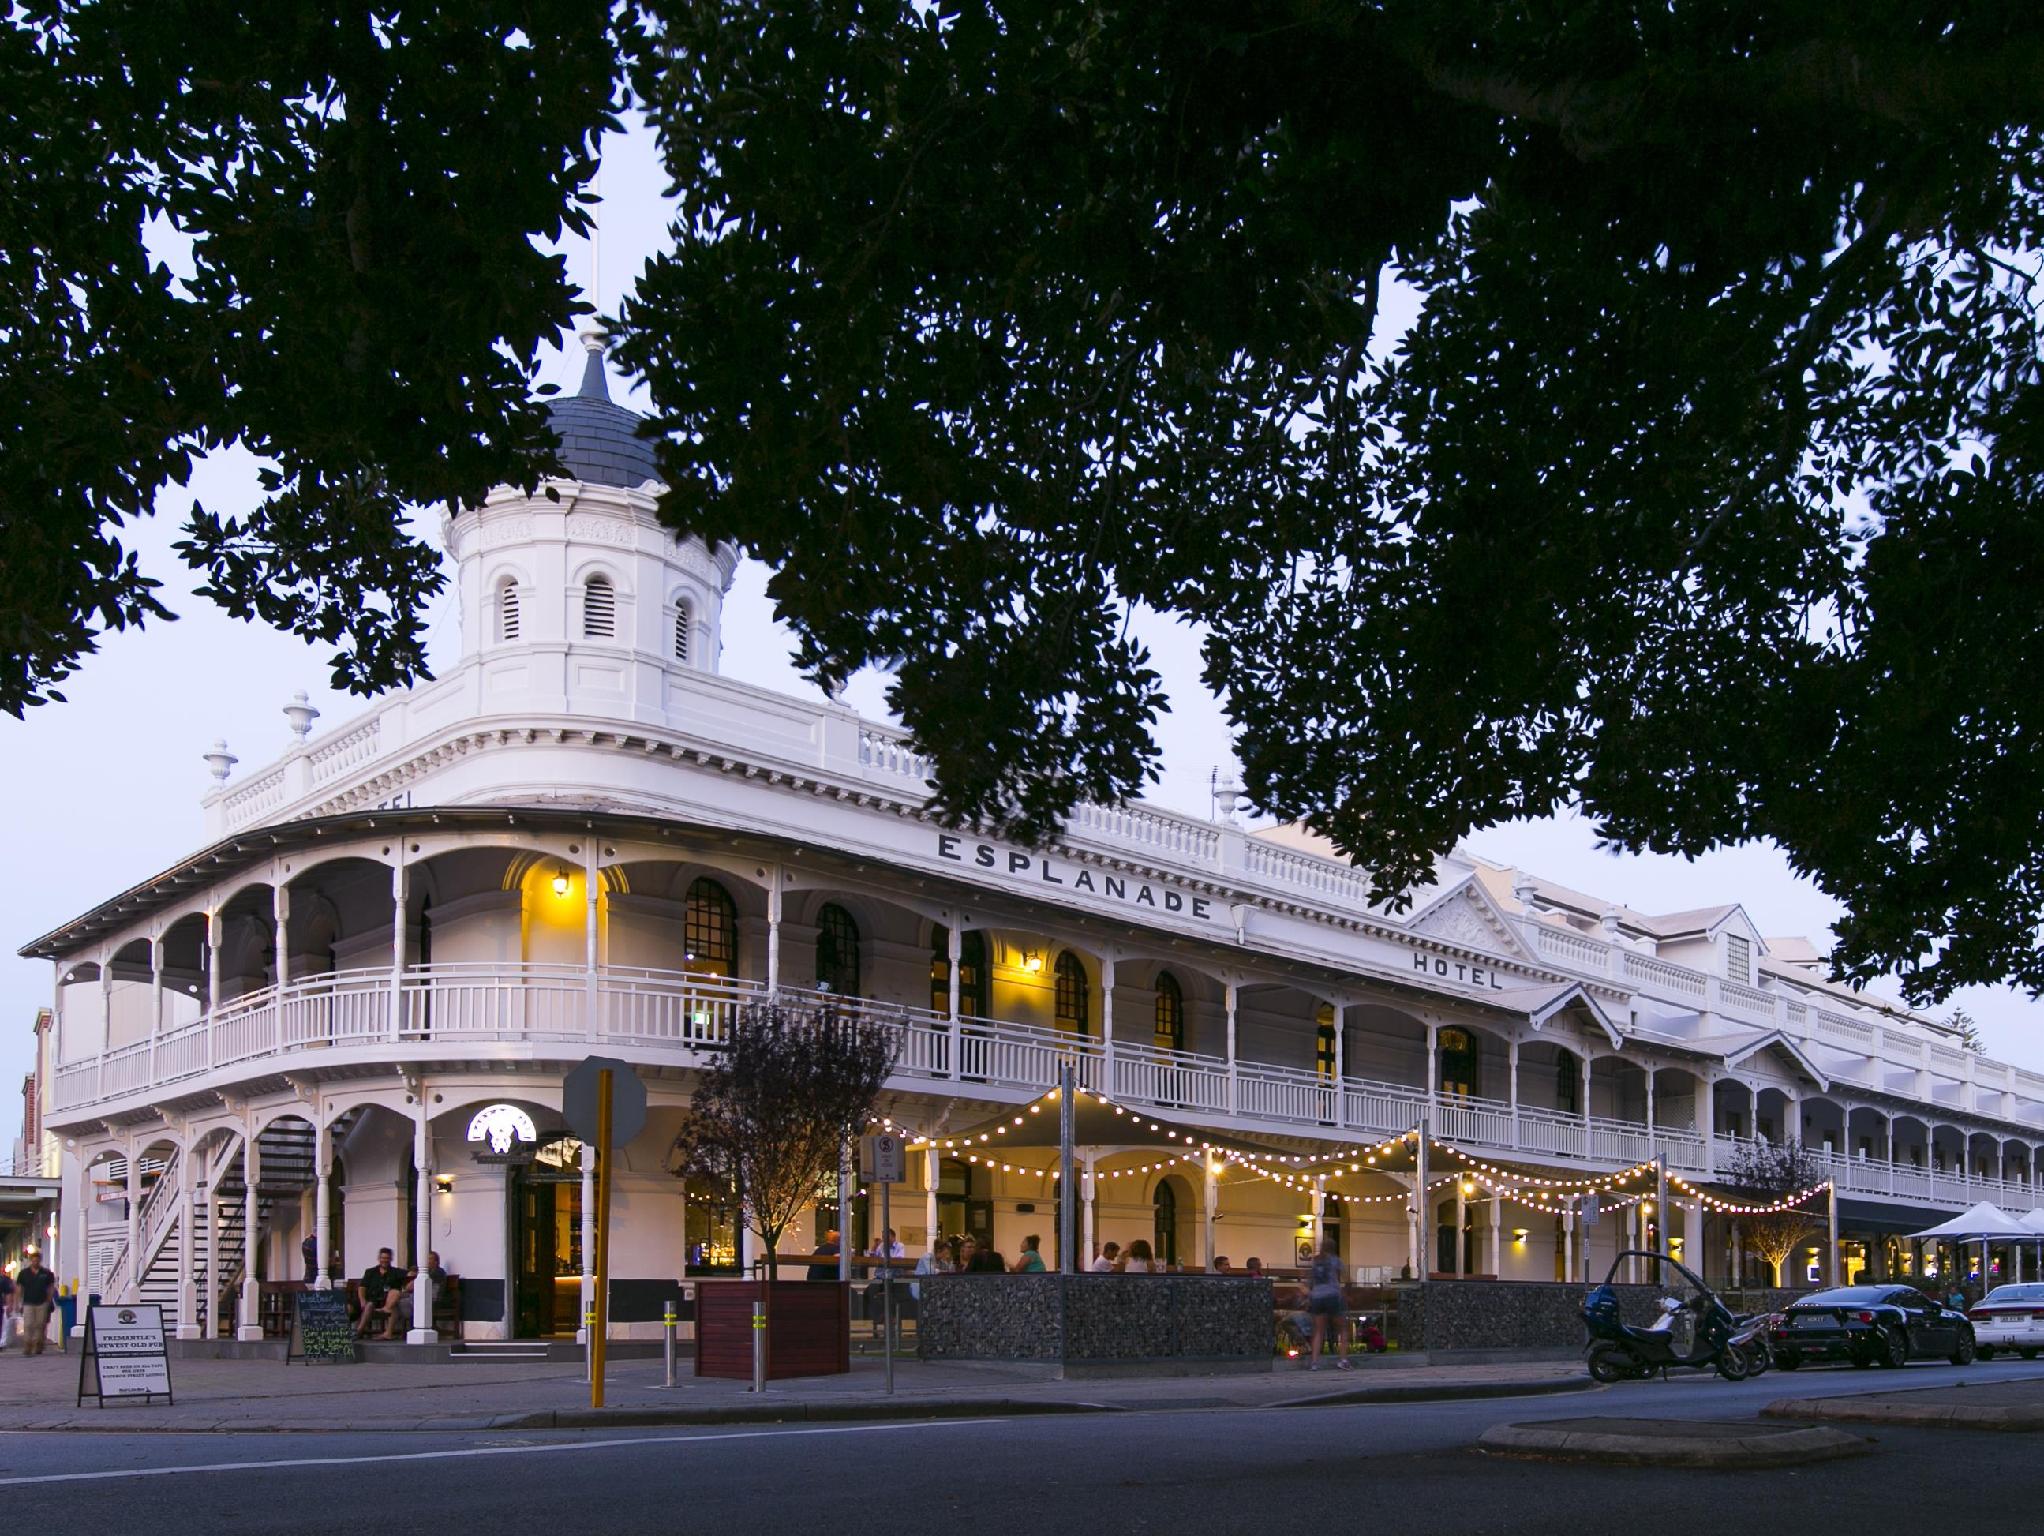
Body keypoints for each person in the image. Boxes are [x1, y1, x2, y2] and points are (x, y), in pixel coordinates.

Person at [1305, 1238, 1351, 1370]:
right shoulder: (1336, 1260)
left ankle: (1314, 1362)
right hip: (1332, 1296)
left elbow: (1309, 1281)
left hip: (1317, 1297)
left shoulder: (1315, 1261)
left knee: (1318, 1330)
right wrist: (1346, 1292)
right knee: (1342, 1329)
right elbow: (1347, 1278)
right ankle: (1342, 1360)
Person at [354, 1248, 406, 1337]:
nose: (384, 1260)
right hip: (372, 1300)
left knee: (394, 1307)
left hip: (388, 1302)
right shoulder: (370, 1272)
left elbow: (410, 1275)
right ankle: (359, 1331)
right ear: (379, 1258)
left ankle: (388, 1334)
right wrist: (362, 1300)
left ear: (391, 1259)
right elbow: (362, 1287)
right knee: (369, 1305)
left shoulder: (397, 1272)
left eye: (387, 1258)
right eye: (383, 1258)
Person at [15, 1251, 53, 1356]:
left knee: (40, 1325)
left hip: (42, 1302)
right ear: (30, 1261)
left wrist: (49, 1300)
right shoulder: (23, 1273)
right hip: (28, 1302)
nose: (35, 1262)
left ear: (39, 1261)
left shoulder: (46, 1273)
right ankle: (27, 1346)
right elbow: (19, 1288)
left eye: (37, 1260)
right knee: (28, 1324)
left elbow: (50, 1287)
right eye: (33, 1260)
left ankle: (38, 1345)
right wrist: (18, 1302)